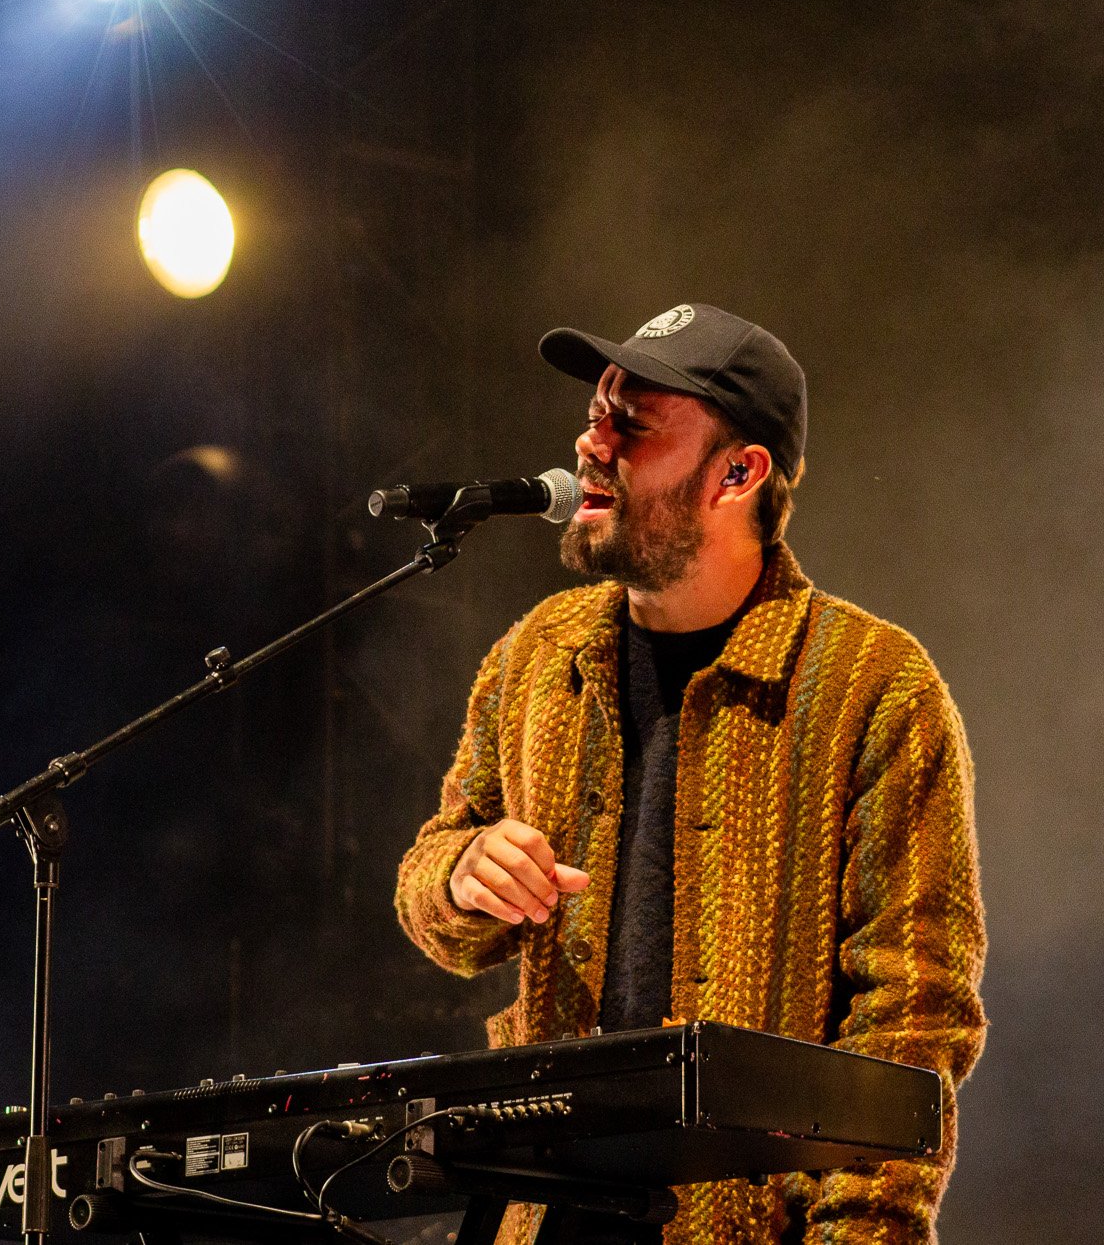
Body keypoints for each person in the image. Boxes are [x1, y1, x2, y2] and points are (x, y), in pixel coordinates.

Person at [394, 303, 986, 1245]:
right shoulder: (535, 657)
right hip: (540, 1217)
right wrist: (464, 874)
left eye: (632, 423)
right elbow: (432, 892)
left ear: (739, 473)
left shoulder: (876, 687)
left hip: (748, 1226)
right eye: (596, 410)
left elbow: (912, 1022)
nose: (591, 442)